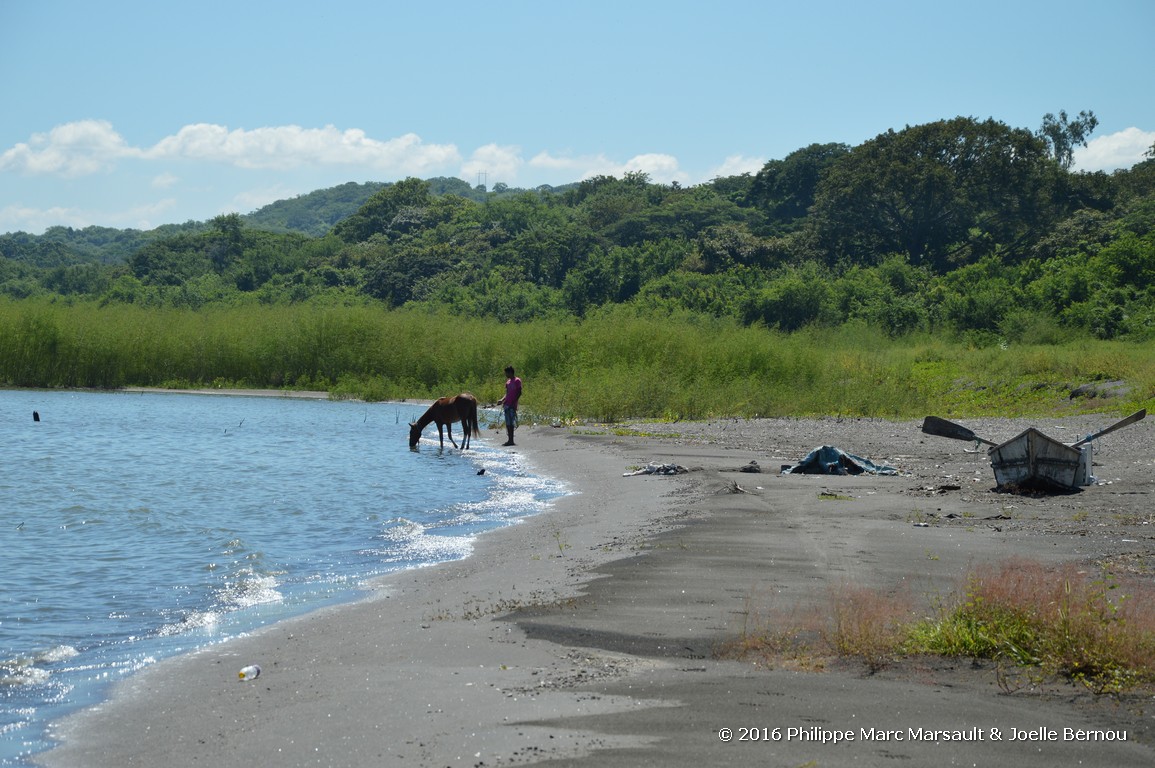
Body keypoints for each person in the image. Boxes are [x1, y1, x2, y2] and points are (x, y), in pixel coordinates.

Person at [501, 365, 522, 446]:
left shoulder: (517, 381)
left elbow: (519, 392)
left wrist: (514, 402)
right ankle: (509, 440)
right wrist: (502, 400)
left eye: (506, 373)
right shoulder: (508, 382)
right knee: (508, 423)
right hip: (506, 404)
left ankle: (511, 440)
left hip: (512, 405)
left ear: (510, 372)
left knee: (511, 423)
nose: (506, 375)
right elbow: (507, 393)